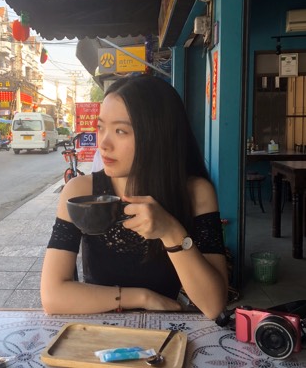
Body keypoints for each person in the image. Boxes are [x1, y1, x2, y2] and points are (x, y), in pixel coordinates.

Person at [41, 75, 228, 320]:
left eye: (120, 131)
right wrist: (142, 298)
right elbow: (52, 295)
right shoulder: (80, 192)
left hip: (167, 334)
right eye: (101, 127)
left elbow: (213, 305)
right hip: (99, 334)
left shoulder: (195, 193)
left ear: (157, 135)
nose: (103, 144)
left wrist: (171, 232)